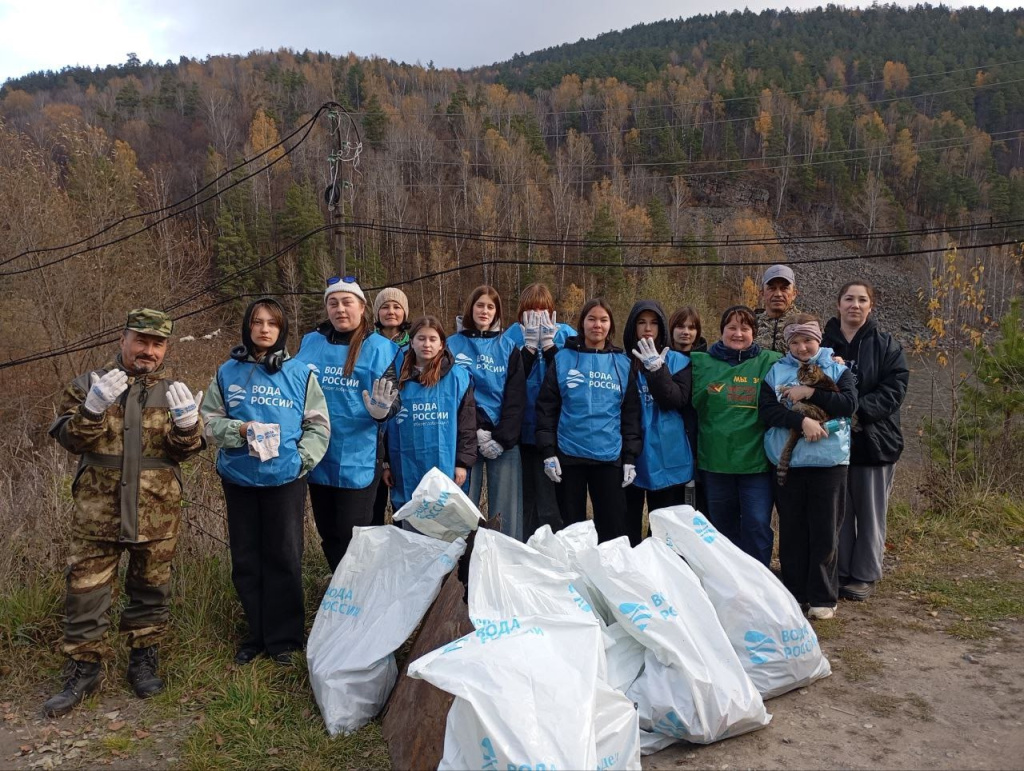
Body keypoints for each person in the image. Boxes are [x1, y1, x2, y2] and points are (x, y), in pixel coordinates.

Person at [44, 309, 205, 717]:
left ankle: (143, 662)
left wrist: (189, 427)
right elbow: (68, 439)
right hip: (98, 513)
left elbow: (183, 451)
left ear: (165, 348)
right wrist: (93, 409)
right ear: (123, 339)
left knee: (151, 591)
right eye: (141, 340)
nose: (148, 351)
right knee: (86, 593)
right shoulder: (87, 385)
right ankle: (83, 670)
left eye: (157, 344)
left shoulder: (173, 392)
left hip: (157, 513)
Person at [202, 298, 330, 665]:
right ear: (247, 328)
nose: (263, 329)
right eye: (257, 322)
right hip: (239, 478)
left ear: (281, 330)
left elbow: (319, 426)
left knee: (284, 557)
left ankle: (285, 641)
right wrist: (239, 429)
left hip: (284, 480)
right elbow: (208, 421)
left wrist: (300, 461)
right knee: (246, 558)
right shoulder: (227, 373)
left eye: (271, 324)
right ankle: (255, 636)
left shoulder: (300, 373)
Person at [294, 278, 401, 571]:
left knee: (353, 535)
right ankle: (340, 593)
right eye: (333, 303)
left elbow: (395, 400)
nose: (340, 309)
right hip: (317, 453)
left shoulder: (380, 348)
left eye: (347, 302)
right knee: (328, 534)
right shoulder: (310, 342)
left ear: (362, 307)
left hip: (357, 455)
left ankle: (361, 595)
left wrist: (383, 412)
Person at [759, 315, 858, 620]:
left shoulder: (837, 369)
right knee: (792, 530)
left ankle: (823, 597)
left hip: (829, 462)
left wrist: (811, 393)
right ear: (787, 344)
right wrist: (801, 420)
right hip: (789, 463)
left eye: (808, 340)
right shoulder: (776, 371)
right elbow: (768, 411)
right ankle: (794, 592)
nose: (802, 347)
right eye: (795, 341)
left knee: (825, 530)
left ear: (818, 341)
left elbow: (849, 405)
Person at [822, 281, 909, 602]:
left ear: (870, 306)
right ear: (839, 304)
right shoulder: (823, 344)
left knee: (871, 513)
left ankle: (865, 574)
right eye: (849, 299)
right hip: (832, 444)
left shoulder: (886, 345)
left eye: (862, 300)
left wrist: (857, 413)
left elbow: (895, 388)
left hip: (875, 442)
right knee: (839, 514)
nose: (854, 305)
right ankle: (841, 569)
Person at [535, 298, 642, 543]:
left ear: (610, 326)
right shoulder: (563, 359)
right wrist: (548, 451)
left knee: (613, 529)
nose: (597, 325)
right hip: (568, 458)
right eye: (591, 319)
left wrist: (630, 457)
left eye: (603, 320)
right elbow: (547, 408)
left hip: (609, 458)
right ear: (582, 323)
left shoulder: (622, 364)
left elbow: (630, 414)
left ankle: (609, 577)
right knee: (571, 530)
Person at [689, 306, 782, 565]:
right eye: (732, 327)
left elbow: (805, 359)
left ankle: (759, 583)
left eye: (745, 328)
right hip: (716, 462)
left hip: (756, 464)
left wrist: (832, 361)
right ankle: (728, 584)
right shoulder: (701, 362)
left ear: (754, 332)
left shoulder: (771, 361)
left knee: (756, 524)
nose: (738, 333)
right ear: (721, 331)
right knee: (721, 529)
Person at [447, 286, 526, 539]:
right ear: (471, 307)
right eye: (480, 305)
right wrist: (475, 430)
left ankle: (504, 560)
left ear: (497, 312)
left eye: (490, 307)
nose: (485, 311)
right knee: (463, 505)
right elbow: (450, 393)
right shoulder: (452, 345)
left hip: (502, 437)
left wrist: (501, 437)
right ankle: (462, 563)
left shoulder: (508, 347)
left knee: (506, 508)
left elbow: (516, 397)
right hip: (464, 437)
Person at [502, 283, 576, 538]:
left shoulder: (565, 334)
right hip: (522, 429)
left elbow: (572, 377)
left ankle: (555, 545)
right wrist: (529, 349)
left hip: (557, 431)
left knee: (552, 499)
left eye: (542, 310)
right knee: (525, 497)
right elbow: (506, 380)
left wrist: (549, 346)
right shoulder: (510, 336)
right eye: (530, 310)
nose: (537, 316)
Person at [386, 317, 477, 510]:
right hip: (405, 466)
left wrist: (462, 463)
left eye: (432, 339)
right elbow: (384, 423)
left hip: (446, 464)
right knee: (409, 530)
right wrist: (386, 463)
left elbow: (466, 424)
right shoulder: (396, 375)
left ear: (442, 344)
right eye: (421, 338)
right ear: (411, 342)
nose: (426, 344)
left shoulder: (458, 378)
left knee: (445, 526)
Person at [624, 300, 694, 545]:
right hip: (630, 451)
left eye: (653, 323)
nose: (647, 328)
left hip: (669, 451)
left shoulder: (678, 361)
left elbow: (675, 400)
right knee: (626, 525)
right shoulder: (623, 361)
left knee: (664, 531)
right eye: (641, 322)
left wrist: (657, 370)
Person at [370, 286, 410, 526]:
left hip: (404, 429)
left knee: (403, 510)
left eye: (397, 307)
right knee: (371, 511)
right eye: (385, 307)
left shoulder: (415, 345)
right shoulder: (366, 345)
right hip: (374, 430)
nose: (391, 311)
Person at [668, 305, 707, 512]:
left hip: (698, 442)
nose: (686, 332)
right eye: (681, 326)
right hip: (669, 442)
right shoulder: (661, 359)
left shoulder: (706, 361)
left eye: (691, 327)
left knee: (698, 507)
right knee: (671, 506)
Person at [755, 264, 802, 353]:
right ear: (762, 293)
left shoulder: (804, 325)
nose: (778, 294)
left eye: (784, 288)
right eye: (772, 288)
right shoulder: (751, 325)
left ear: (794, 294)